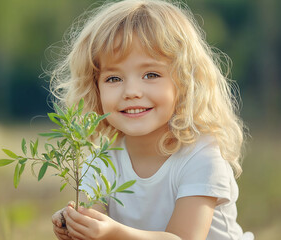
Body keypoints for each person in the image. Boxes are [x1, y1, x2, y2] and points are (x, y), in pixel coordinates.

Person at [49, 0, 254, 239]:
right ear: (94, 88)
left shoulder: (201, 156)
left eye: (151, 74)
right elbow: (96, 221)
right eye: (114, 78)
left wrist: (113, 232)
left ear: (185, 83)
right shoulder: (101, 159)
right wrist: (78, 225)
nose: (131, 91)